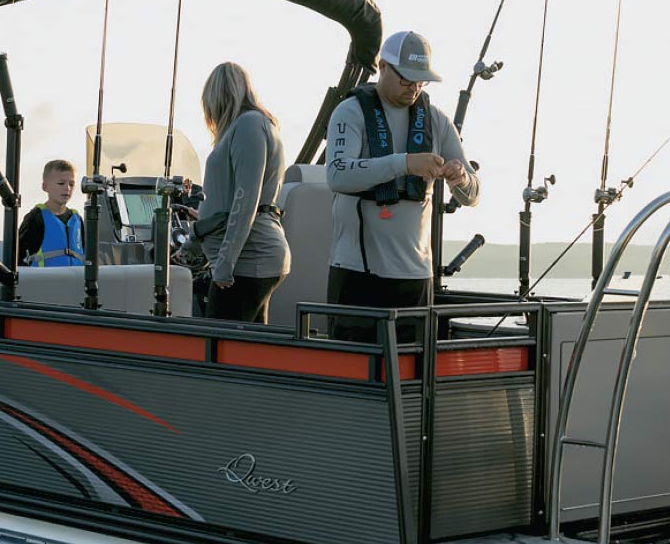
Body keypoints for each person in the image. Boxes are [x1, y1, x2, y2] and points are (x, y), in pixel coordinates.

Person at [324, 30, 480, 341]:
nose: (414, 88)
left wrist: (459, 177)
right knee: (356, 379)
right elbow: (337, 174)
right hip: (357, 275)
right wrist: (405, 163)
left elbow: (473, 194)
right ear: (382, 67)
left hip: (416, 278)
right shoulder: (349, 112)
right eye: (407, 80)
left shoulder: (436, 120)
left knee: (410, 381)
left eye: (421, 82)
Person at [192, 62, 290, 323]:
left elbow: (247, 199)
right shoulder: (254, 125)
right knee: (249, 351)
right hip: (249, 260)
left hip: (248, 261)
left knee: (219, 349)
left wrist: (225, 264)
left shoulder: (248, 125)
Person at [16, 159, 87, 267]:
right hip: (45, 281)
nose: (67, 188)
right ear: (45, 187)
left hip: (75, 282)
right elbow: (15, 256)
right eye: (61, 183)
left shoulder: (77, 219)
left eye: (71, 184)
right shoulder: (35, 218)